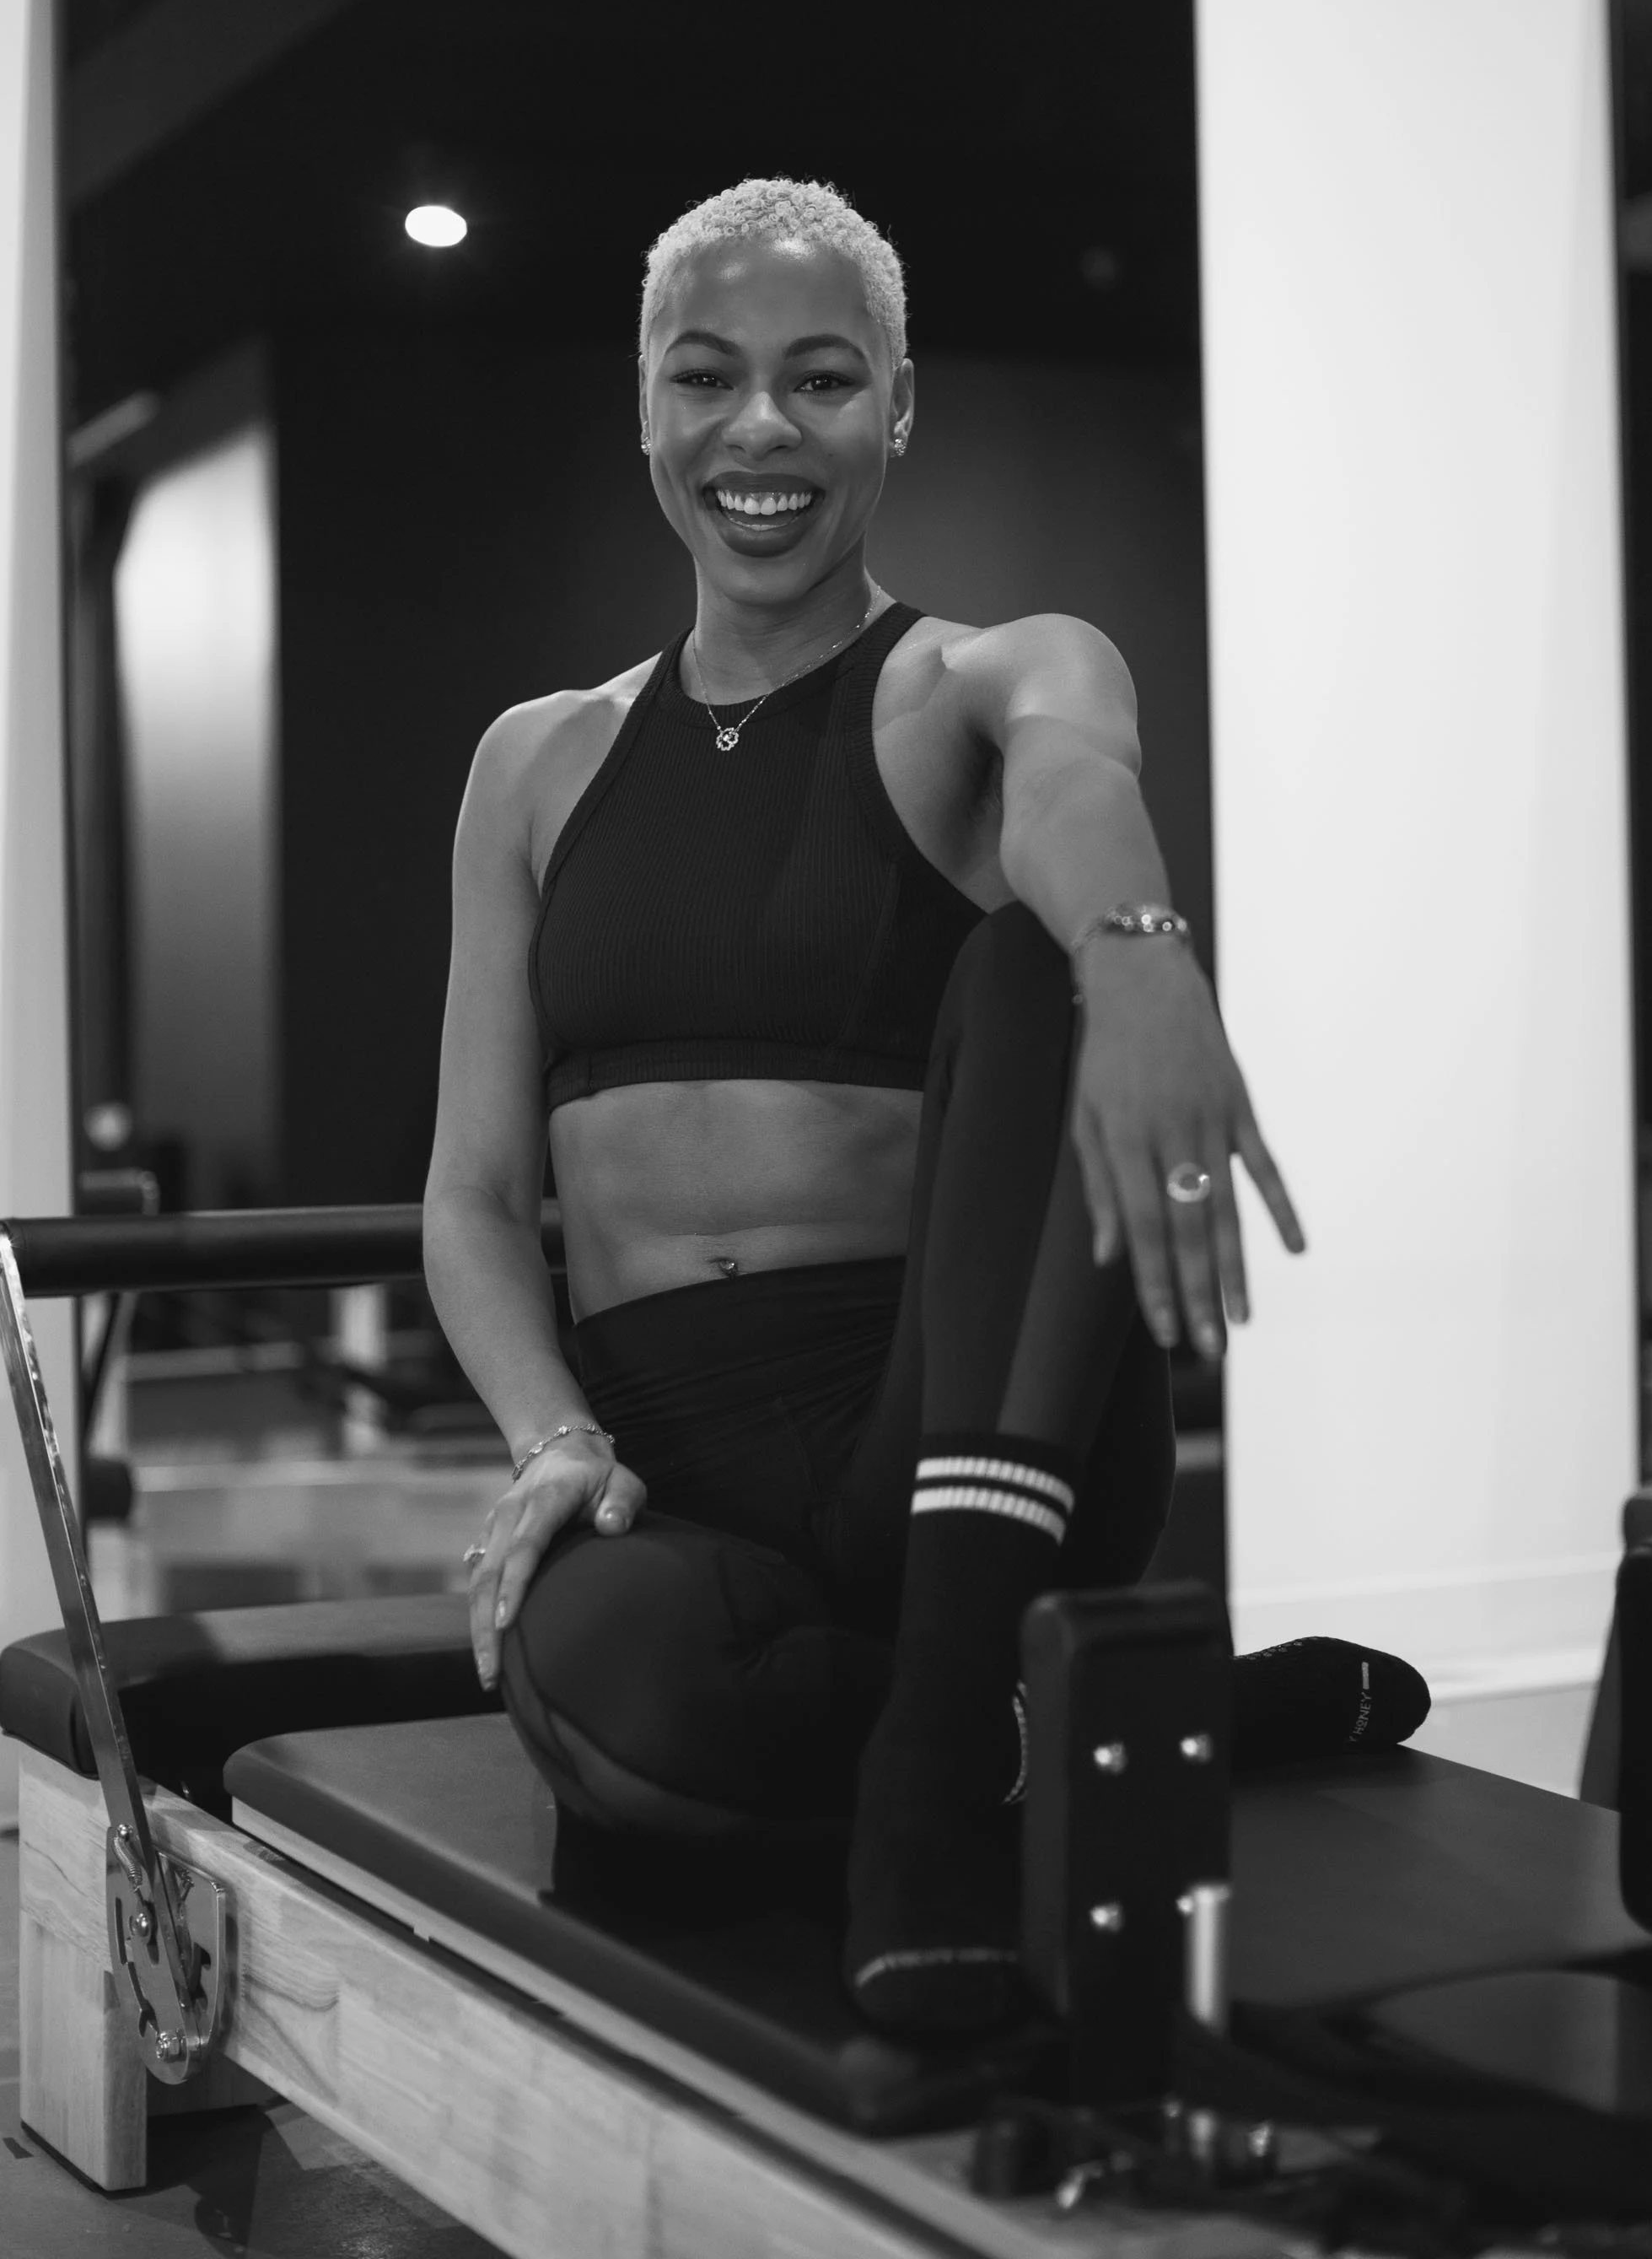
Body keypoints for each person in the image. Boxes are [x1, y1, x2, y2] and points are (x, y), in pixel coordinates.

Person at [422, 177, 1305, 2038]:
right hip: (676, 1468)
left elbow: (1076, 788)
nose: (760, 428)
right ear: (645, 410)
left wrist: (1145, 959)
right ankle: (1091, 1717)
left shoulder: (998, 673)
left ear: (897, 409)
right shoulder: (533, 763)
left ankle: (935, 1768)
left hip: (964, 1425)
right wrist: (550, 1438)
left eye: (821, 380)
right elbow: (479, 1197)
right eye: (706, 377)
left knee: (1045, 964)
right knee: (621, 1715)